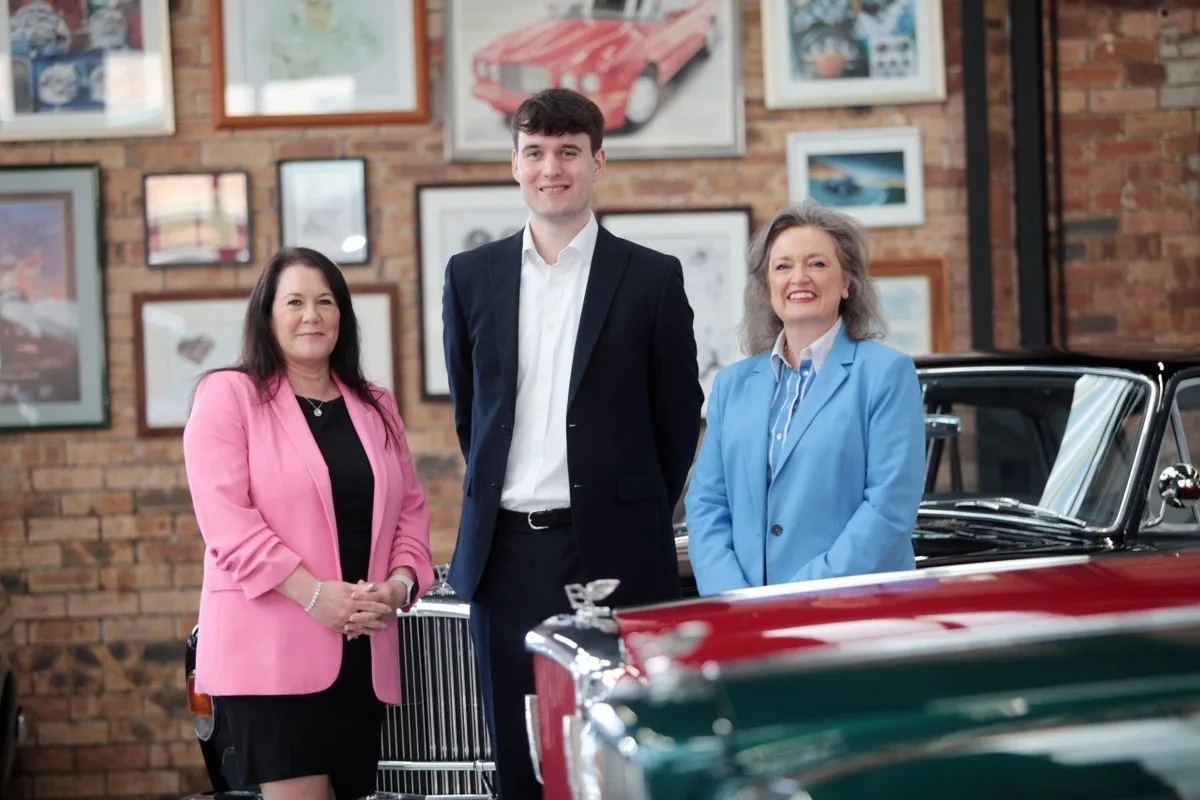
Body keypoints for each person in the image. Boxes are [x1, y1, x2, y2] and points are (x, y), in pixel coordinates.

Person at [441, 87, 703, 798]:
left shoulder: (650, 278)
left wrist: (632, 507)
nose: (550, 167)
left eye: (567, 152)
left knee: (621, 756)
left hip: (615, 552)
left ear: (597, 162)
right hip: (504, 553)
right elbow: (473, 413)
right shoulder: (471, 277)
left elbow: (679, 416)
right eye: (535, 152)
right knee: (520, 765)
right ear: (514, 164)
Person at [183, 246, 435, 800]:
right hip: (270, 651)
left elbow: (411, 513)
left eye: (325, 301)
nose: (311, 315)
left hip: (362, 650)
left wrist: (397, 587)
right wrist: (316, 595)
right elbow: (228, 525)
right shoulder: (228, 395)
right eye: (294, 302)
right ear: (267, 315)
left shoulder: (376, 405)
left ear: (341, 315)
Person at [685, 201, 926, 596]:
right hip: (747, 617)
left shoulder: (886, 374)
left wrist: (801, 597)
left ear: (848, 282)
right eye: (783, 266)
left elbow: (888, 509)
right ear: (767, 287)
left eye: (816, 264)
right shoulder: (733, 385)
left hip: (852, 612)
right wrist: (730, 597)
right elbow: (707, 503)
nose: (799, 277)